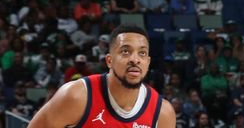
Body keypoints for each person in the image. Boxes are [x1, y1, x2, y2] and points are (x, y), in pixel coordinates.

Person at [27, 24, 176, 127]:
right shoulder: (76, 96)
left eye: (142, 53)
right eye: (125, 51)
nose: (135, 59)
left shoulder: (163, 112)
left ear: (148, 62)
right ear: (109, 60)